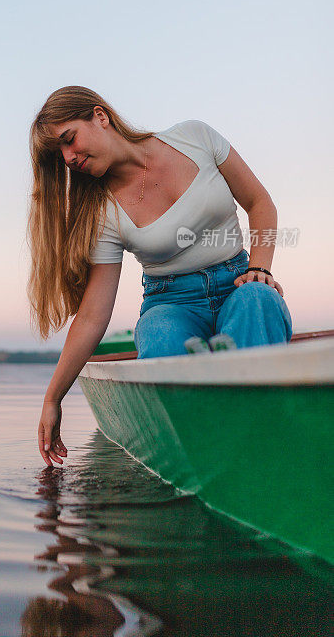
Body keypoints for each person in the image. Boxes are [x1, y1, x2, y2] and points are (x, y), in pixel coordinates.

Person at [27, 86, 293, 467]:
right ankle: (208, 444)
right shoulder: (102, 212)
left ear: (100, 116)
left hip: (239, 280)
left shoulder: (194, 137)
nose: (69, 158)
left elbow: (259, 202)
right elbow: (92, 315)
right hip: (172, 302)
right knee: (160, 336)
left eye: (69, 140)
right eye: (60, 156)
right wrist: (52, 399)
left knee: (260, 301)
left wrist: (260, 268)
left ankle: (257, 440)